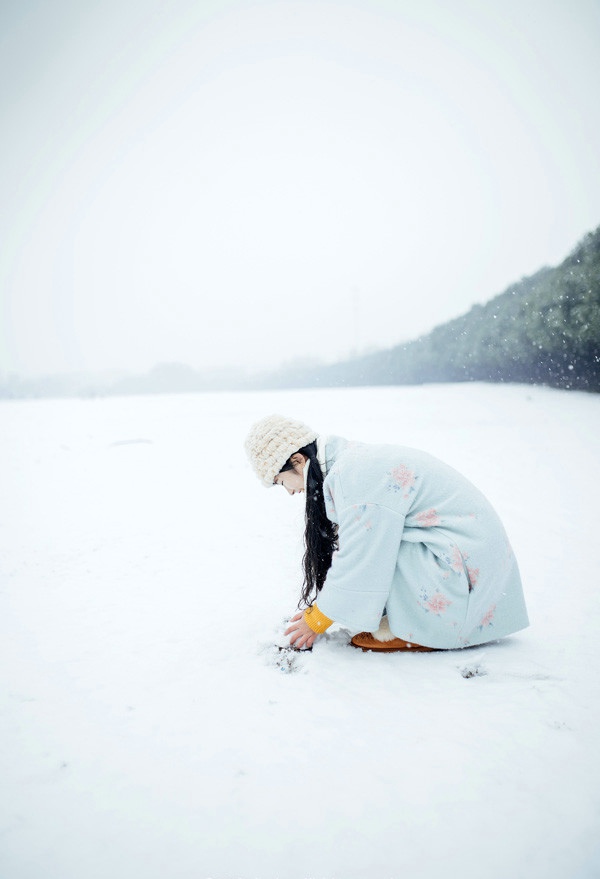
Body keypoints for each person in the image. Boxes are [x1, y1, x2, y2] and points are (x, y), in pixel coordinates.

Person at [244, 414, 529, 653]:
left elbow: (362, 557)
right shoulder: (350, 465)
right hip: (469, 569)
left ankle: (422, 628)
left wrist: (318, 619)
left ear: (297, 460)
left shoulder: (354, 474)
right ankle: (411, 615)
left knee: (376, 546)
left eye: (283, 482)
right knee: (378, 541)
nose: (292, 492)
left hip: (464, 577)